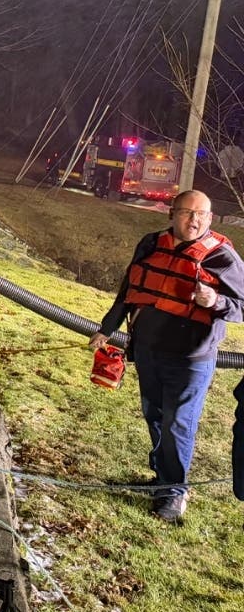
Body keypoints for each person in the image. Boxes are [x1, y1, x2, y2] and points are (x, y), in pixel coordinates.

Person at [90, 189, 244, 522]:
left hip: (190, 358)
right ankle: (161, 480)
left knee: (178, 424)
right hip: (147, 349)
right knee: (155, 416)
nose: (195, 219)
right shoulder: (150, 244)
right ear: (171, 214)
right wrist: (107, 327)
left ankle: (174, 493)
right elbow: (128, 291)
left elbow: (240, 307)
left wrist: (214, 302)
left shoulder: (222, 258)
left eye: (202, 214)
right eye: (187, 212)